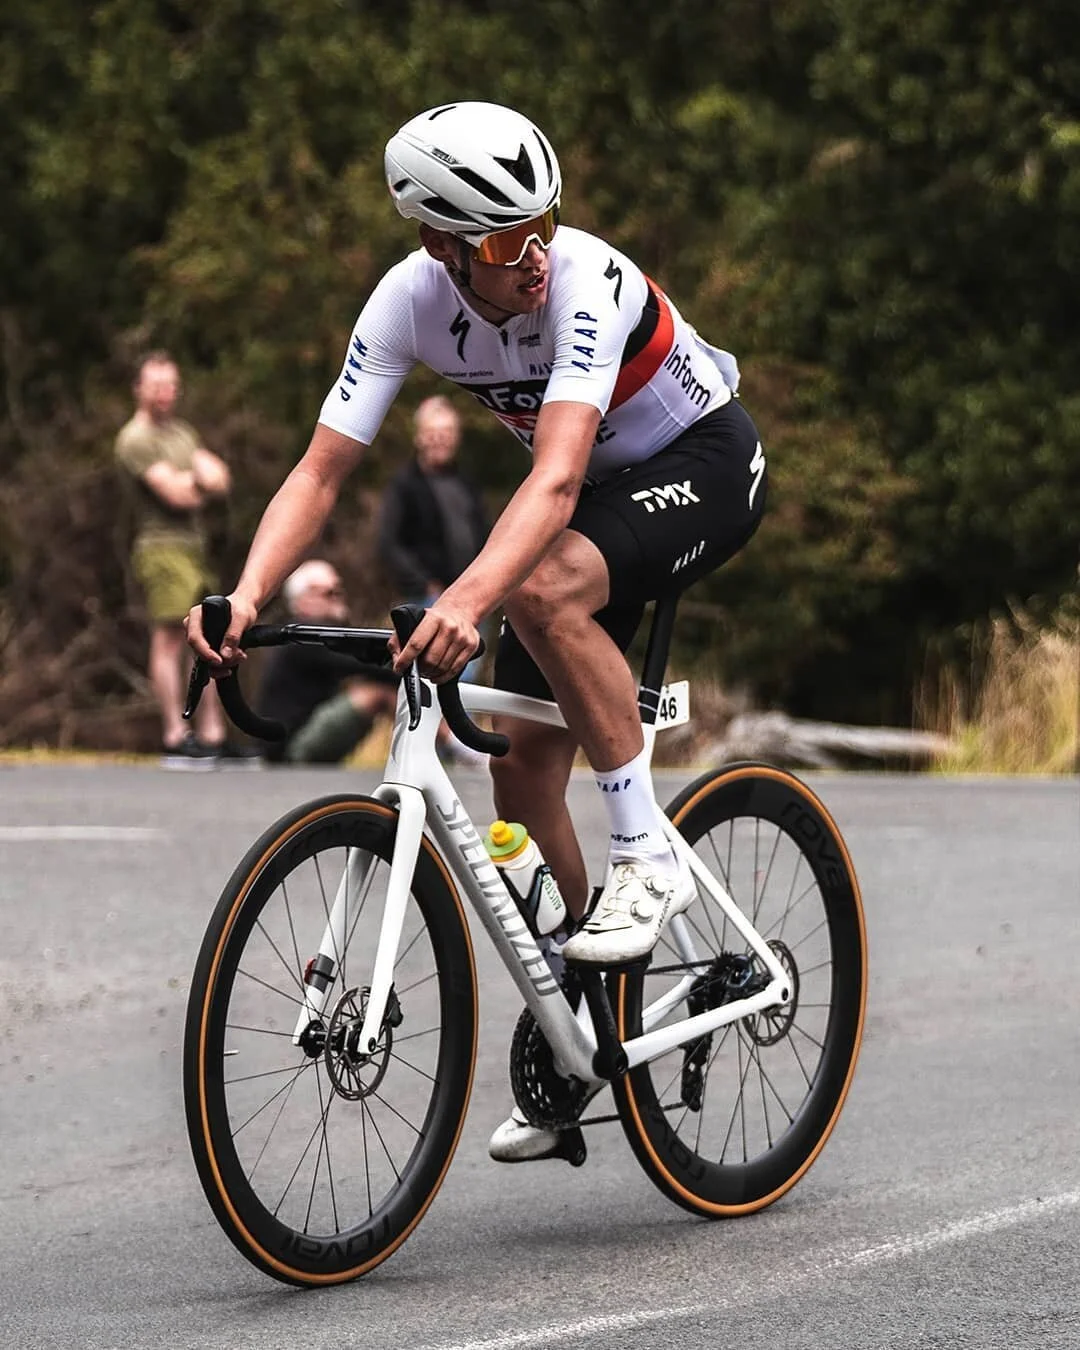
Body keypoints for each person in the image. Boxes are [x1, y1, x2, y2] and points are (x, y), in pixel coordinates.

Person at [186, 102, 767, 1159]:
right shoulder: (408, 303)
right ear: (439, 247)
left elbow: (549, 480)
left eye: (543, 222)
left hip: (702, 465)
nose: (535, 256)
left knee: (538, 594)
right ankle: (597, 1010)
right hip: (595, 501)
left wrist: (466, 598)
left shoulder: (581, 281)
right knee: (523, 777)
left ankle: (647, 854)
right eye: (506, 242)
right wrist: (248, 593)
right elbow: (322, 467)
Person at [115, 351, 255, 768]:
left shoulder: (181, 432)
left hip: (194, 547)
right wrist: (196, 483)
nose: (165, 393)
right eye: (157, 385)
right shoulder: (135, 439)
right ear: (139, 389)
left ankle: (212, 736)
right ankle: (175, 736)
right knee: (171, 638)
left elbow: (221, 478)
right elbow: (176, 494)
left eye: (171, 385)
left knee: (210, 637)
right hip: (160, 548)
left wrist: (193, 482)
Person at [257, 558, 397, 763]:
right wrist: (407, 665)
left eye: (339, 590)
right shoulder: (304, 637)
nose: (338, 598)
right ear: (302, 600)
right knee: (377, 692)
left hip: (298, 735)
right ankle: (447, 746)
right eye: (329, 593)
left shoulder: (306, 635)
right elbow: (367, 666)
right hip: (290, 747)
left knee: (377, 686)